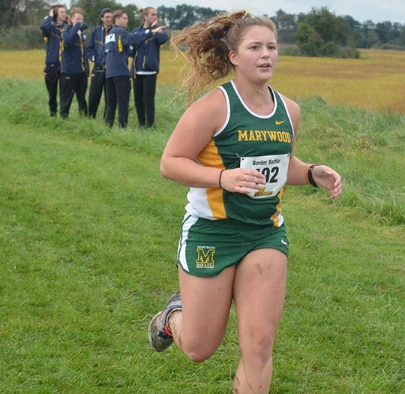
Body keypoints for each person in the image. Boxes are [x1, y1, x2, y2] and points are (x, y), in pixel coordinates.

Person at [148, 10, 342, 394]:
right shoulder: (214, 106)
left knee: (259, 345)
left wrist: (311, 172)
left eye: (271, 47)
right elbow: (170, 163)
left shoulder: (289, 111)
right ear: (234, 56)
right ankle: (173, 316)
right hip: (212, 233)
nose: (266, 54)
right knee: (201, 348)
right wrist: (223, 178)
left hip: (264, 235)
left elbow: (279, 164)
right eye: (255, 47)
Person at [104, 10, 154, 128]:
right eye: (124, 18)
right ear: (117, 20)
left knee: (111, 103)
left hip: (109, 73)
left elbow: (124, 50)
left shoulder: (109, 33)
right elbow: (133, 39)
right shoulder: (121, 31)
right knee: (123, 102)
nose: (127, 21)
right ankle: (122, 127)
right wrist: (148, 32)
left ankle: (108, 126)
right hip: (121, 72)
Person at [131, 7, 168, 128]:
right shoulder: (137, 31)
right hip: (137, 71)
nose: (155, 16)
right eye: (152, 14)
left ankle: (150, 125)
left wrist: (156, 29)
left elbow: (164, 39)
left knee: (148, 100)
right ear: (145, 16)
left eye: (156, 14)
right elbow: (131, 46)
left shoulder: (158, 31)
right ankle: (141, 124)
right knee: (138, 100)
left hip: (150, 71)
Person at [59, 7, 89, 119]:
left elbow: (84, 52)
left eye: (81, 19)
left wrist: (86, 68)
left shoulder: (82, 33)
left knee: (82, 98)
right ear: (71, 19)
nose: (80, 21)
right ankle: (63, 120)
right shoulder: (65, 30)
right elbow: (67, 42)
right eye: (77, 19)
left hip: (81, 72)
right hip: (69, 72)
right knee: (67, 99)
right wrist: (75, 26)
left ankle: (85, 120)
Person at [85, 7, 113, 119]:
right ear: (102, 18)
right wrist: (94, 59)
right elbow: (89, 48)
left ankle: (107, 122)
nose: (109, 19)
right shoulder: (96, 31)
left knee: (109, 98)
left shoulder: (116, 31)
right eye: (106, 17)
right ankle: (90, 118)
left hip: (111, 70)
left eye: (111, 17)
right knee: (93, 96)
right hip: (98, 69)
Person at [40, 4, 67, 117]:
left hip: (65, 64)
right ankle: (53, 114)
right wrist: (50, 16)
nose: (64, 14)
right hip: (52, 63)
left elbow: (83, 26)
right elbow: (43, 26)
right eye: (61, 12)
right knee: (52, 92)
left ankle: (64, 114)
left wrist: (70, 19)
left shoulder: (67, 27)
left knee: (64, 92)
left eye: (65, 11)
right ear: (55, 14)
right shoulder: (50, 27)